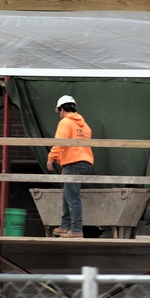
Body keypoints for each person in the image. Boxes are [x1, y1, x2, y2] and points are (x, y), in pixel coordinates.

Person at [46, 95, 94, 238]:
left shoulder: (65, 122)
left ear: (62, 109)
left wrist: (51, 158)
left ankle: (76, 229)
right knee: (68, 196)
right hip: (84, 163)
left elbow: (61, 142)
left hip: (74, 163)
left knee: (72, 198)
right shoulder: (85, 126)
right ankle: (66, 225)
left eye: (58, 111)